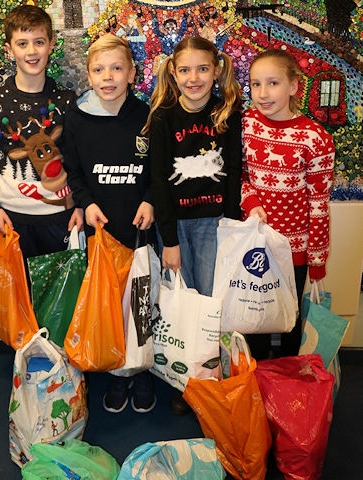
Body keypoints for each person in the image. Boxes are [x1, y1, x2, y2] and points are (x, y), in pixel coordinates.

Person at [142, 36, 243, 413]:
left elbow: (233, 173)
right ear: (173, 72)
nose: (194, 77)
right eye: (185, 70)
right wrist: (169, 240)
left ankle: (209, 379)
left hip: (214, 222)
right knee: (182, 301)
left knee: (210, 302)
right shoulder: (164, 117)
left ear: (216, 70)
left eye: (202, 69)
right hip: (176, 225)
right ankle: (187, 379)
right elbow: (160, 182)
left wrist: (231, 226)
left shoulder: (227, 114)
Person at [63, 34, 156, 414]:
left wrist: (150, 199)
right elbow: (74, 172)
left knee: (141, 303)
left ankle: (144, 370)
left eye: (117, 68)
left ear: (132, 74)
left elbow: (160, 170)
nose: (108, 76)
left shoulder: (148, 116)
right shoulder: (76, 119)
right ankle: (118, 371)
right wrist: (85, 204)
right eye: (99, 69)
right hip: (100, 230)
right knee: (109, 306)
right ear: (88, 74)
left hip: (140, 229)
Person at [0, 5, 83, 271]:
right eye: (22, 43)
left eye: (39, 42)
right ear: (9, 49)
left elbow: (79, 160)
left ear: (51, 45)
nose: (31, 51)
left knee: (58, 303)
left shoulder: (66, 101)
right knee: (18, 303)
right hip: (10, 220)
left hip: (60, 218)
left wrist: (80, 205)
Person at [241, 48, 335, 359]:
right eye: (256, 84)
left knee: (288, 321)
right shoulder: (247, 125)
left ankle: (287, 387)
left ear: (293, 86)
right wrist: (251, 200)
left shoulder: (315, 139)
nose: (263, 93)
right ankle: (257, 387)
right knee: (253, 319)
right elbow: (237, 176)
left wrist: (317, 259)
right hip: (253, 242)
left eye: (273, 83)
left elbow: (319, 205)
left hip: (293, 251)